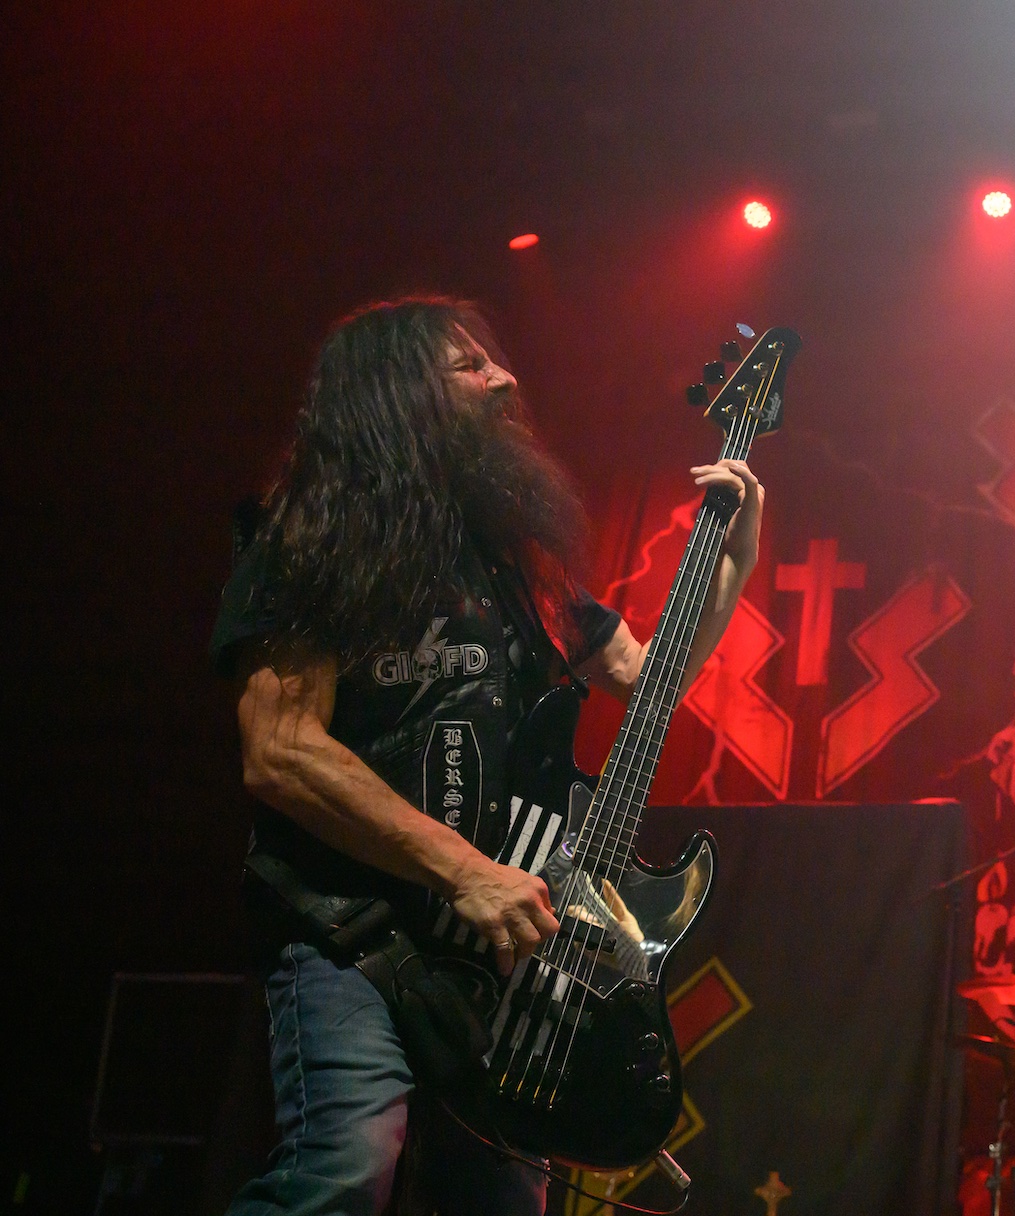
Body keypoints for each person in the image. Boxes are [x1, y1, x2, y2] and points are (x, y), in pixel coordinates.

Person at [211, 298, 764, 1215]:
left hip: (493, 961)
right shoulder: (308, 537)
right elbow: (281, 752)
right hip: (351, 930)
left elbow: (647, 676)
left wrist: (736, 554)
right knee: (345, 1166)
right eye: (469, 367)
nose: (506, 379)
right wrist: (464, 870)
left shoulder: (516, 564)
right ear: (396, 395)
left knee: (500, 1204)